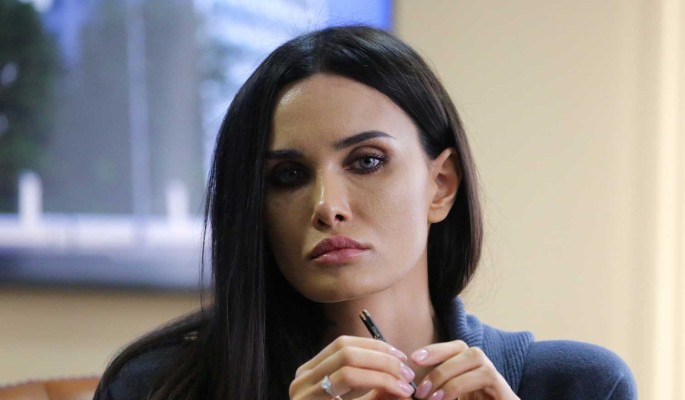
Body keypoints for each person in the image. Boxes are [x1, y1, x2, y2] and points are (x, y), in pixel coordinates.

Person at [94, 25, 637, 400]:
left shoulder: (579, 385)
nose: (327, 207)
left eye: (367, 161)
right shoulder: (154, 387)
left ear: (441, 185)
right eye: (288, 175)